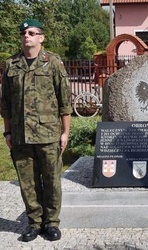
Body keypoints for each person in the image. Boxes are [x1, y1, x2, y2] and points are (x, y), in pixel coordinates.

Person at [0, 19, 72, 242]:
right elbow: (6, 104)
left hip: (48, 134)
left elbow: (65, 102)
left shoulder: (52, 63)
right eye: (23, 33)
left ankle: (51, 222)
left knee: (51, 180)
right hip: (21, 135)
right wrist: (8, 132)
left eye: (32, 32)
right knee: (27, 182)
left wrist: (65, 133)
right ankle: (33, 223)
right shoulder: (11, 64)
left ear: (41, 37)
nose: (26, 36)